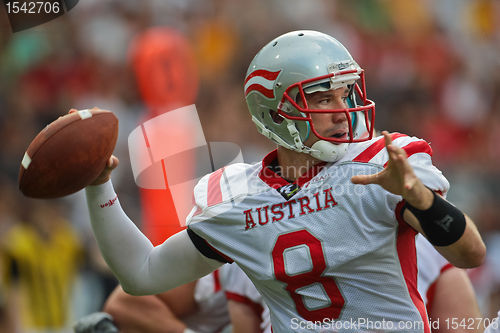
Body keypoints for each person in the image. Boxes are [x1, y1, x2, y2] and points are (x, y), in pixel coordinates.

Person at [84, 30, 485, 332]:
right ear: (275, 114)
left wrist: (419, 197)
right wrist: (99, 185)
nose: (343, 111)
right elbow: (140, 275)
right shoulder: (238, 199)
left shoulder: (378, 167)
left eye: (346, 94)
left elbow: (470, 254)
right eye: (324, 98)